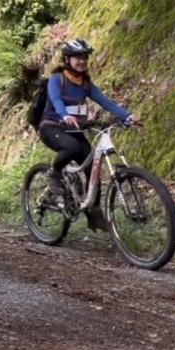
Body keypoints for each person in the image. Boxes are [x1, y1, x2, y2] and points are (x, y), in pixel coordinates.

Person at [36, 38, 139, 231]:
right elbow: (56, 100)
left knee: (93, 166)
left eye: (84, 57)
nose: (82, 61)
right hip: (51, 127)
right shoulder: (56, 79)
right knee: (72, 147)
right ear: (67, 59)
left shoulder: (85, 83)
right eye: (77, 58)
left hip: (74, 130)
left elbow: (105, 101)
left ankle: (94, 213)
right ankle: (54, 173)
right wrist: (65, 115)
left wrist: (126, 116)